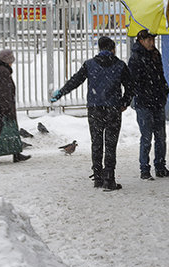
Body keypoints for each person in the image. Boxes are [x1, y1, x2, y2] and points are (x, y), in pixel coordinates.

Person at [51, 36, 132, 190]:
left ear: (100, 49)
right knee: (110, 144)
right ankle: (109, 178)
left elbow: (75, 81)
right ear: (112, 49)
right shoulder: (120, 65)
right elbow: (130, 87)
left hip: (95, 108)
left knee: (96, 142)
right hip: (113, 109)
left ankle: (98, 177)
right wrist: (124, 102)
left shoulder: (90, 65)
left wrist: (61, 92)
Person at [127, 29, 169, 180]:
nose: (151, 43)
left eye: (152, 40)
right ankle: (144, 169)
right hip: (144, 103)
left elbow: (160, 76)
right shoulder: (135, 58)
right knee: (146, 136)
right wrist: (142, 95)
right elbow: (132, 82)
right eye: (148, 40)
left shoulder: (155, 54)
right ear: (141, 41)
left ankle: (160, 167)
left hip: (157, 102)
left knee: (161, 137)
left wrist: (164, 91)